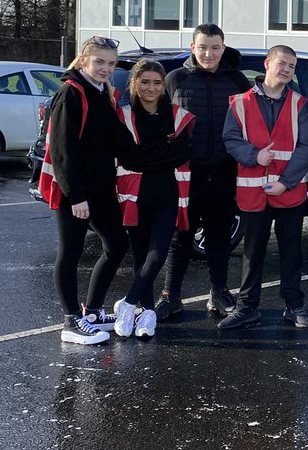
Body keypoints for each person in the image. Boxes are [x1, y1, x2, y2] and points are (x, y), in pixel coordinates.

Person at [38, 36, 129, 345]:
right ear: (84, 60)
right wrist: (76, 195)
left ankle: (92, 311)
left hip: (102, 189)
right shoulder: (71, 94)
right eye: (100, 61)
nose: (106, 68)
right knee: (71, 252)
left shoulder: (104, 93)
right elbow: (63, 150)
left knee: (116, 244)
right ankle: (70, 322)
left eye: (111, 63)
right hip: (74, 192)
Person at [158, 23, 252, 320]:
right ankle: (170, 296)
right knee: (179, 237)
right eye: (203, 47)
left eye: (215, 48)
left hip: (224, 174)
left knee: (219, 238)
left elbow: (249, 125)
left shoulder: (237, 81)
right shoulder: (174, 79)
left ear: (223, 48)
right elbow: (159, 124)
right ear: (192, 48)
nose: (208, 54)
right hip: (184, 177)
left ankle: (219, 292)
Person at [220, 45, 308, 330]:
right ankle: (247, 308)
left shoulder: (300, 103)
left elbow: (306, 146)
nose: (287, 70)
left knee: (291, 252)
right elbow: (231, 138)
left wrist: (285, 183)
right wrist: (254, 156)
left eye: (292, 66)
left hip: (289, 191)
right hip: (254, 192)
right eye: (282, 63)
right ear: (267, 64)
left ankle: (294, 305)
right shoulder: (239, 102)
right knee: (252, 253)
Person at [112, 59, 194, 339]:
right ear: (134, 83)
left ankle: (128, 303)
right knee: (140, 257)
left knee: (157, 254)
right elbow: (126, 156)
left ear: (163, 86)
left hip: (168, 195)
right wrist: (161, 154)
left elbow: (181, 155)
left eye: (157, 82)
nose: (151, 87)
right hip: (134, 196)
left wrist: (148, 156)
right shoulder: (122, 115)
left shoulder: (177, 115)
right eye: (145, 81)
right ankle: (147, 314)